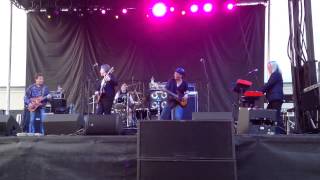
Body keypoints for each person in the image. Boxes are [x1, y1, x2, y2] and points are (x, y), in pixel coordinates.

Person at [260, 61, 284, 134]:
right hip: (274, 99)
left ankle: (281, 132)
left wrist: (258, 92)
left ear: (273, 67)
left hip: (275, 98)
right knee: (270, 115)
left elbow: (268, 85)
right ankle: (273, 131)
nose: (268, 69)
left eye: (269, 67)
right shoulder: (276, 75)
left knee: (275, 115)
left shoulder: (275, 74)